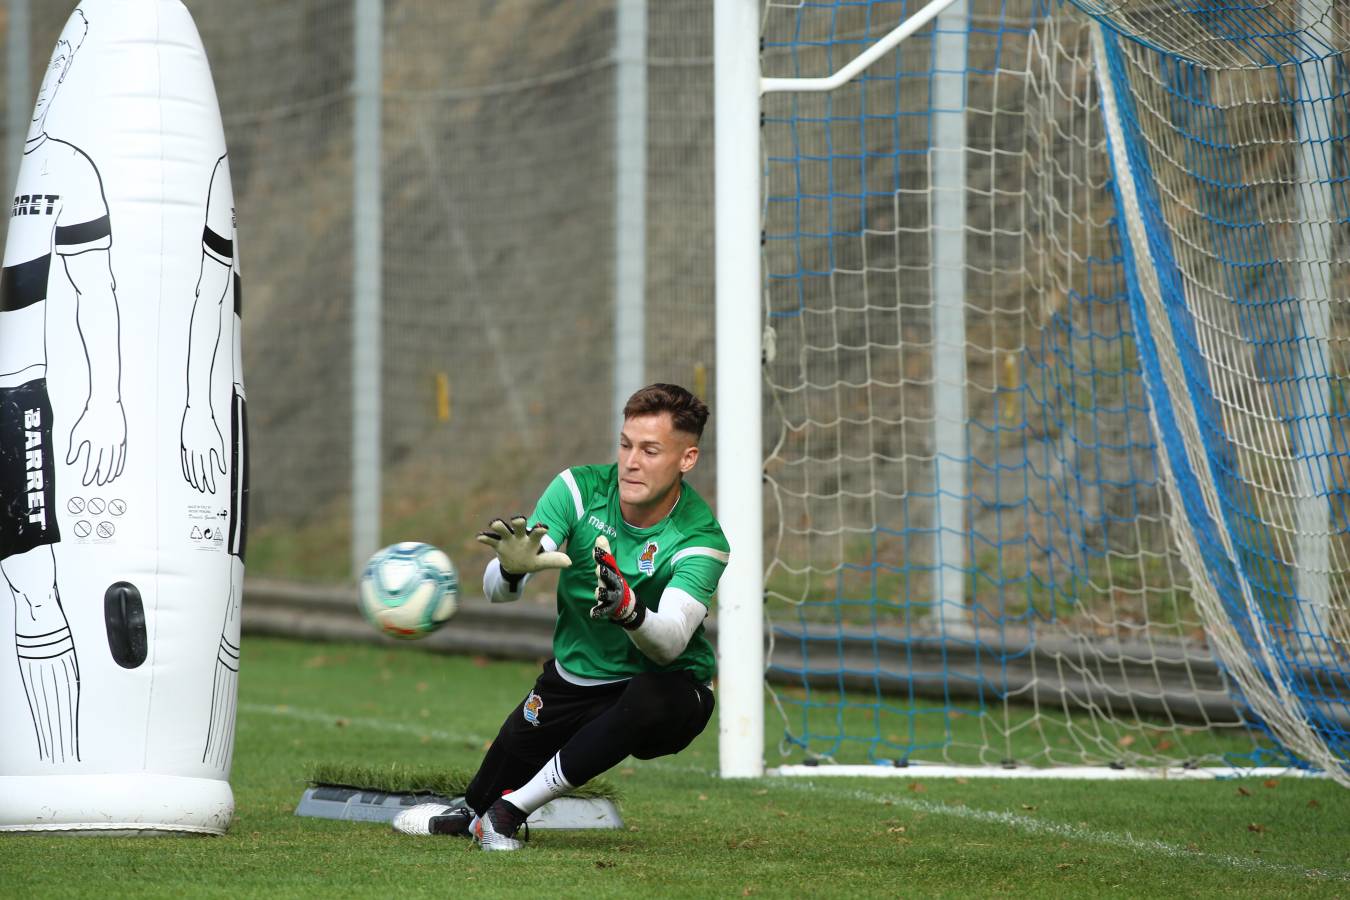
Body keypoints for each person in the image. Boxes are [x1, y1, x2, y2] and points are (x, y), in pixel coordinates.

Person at [393, 383, 729, 851]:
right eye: (626, 444)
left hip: (666, 697)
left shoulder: (701, 538)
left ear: (686, 459)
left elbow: (670, 640)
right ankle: (476, 813)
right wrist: (511, 569)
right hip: (575, 680)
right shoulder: (578, 488)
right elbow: (500, 592)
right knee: (474, 804)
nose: (631, 461)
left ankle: (508, 815)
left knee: (654, 692)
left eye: (651, 450)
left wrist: (628, 611)